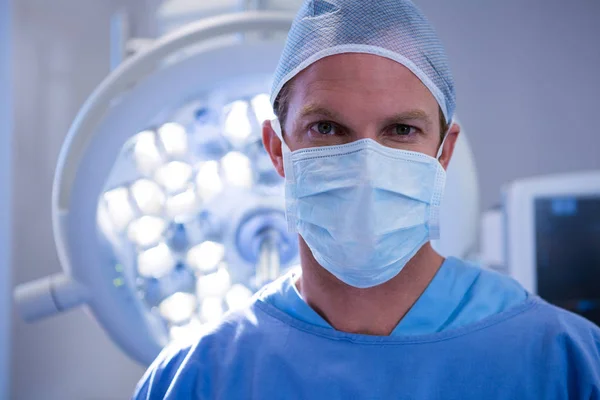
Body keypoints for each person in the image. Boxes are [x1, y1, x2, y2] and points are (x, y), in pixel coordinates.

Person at [133, 1, 600, 398]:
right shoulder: (197, 378)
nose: (365, 163)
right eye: (327, 128)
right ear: (278, 150)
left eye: (401, 130)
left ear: (444, 152)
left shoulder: (566, 364)